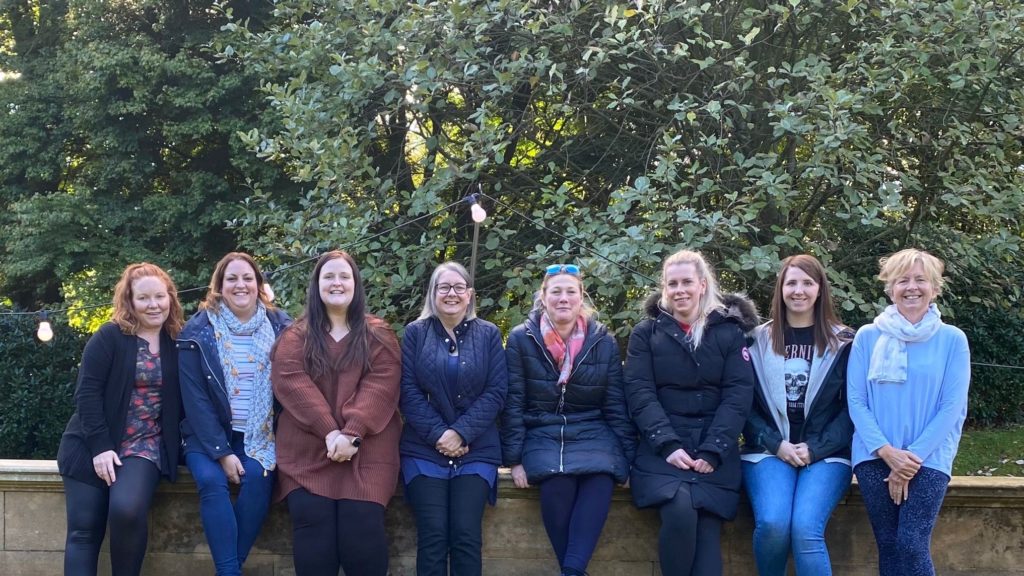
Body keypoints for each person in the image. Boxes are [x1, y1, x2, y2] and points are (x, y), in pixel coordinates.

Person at [624, 249, 756, 576]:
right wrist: (667, 445)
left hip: (715, 448)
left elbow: (738, 395)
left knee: (708, 523)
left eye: (686, 282)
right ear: (664, 288)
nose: (679, 290)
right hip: (662, 450)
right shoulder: (646, 333)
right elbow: (640, 392)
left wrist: (714, 449)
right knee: (681, 508)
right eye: (672, 283)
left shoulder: (729, 331)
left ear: (701, 285)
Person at [271, 250, 402, 576]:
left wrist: (352, 432)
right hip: (308, 453)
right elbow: (293, 385)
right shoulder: (294, 337)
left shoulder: (378, 335)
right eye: (328, 276)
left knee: (362, 532)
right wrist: (330, 432)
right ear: (316, 285)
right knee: (314, 531)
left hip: (367, 453)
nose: (336, 282)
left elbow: (381, 386)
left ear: (356, 284)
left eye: (344, 276)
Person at [501, 263, 635, 576]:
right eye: (556, 291)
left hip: (592, 430)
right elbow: (514, 402)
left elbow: (615, 404)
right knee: (555, 483)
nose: (563, 298)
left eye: (570, 292)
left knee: (601, 479)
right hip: (542, 430)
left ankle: (571, 572)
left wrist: (627, 460)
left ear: (581, 297)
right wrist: (514, 459)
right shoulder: (522, 339)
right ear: (543, 297)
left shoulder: (603, 341)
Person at [847, 248, 970, 576]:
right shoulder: (868, 336)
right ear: (890, 289)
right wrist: (888, 454)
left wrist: (908, 460)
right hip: (875, 454)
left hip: (929, 458)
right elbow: (856, 401)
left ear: (935, 288)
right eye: (902, 280)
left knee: (912, 543)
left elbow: (951, 407)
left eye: (921, 280)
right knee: (888, 543)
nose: (911, 287)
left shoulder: (952, 340)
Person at [57, 263, 184, 576]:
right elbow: (86, 394)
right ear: (130, 301)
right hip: (90, 443)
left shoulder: (179, 341)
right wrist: (100, 446)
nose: (153, 304)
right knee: (83, 531)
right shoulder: (110, 337)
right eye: (144, 298)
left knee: (126, 511)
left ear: (170, 298)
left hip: (144, 444)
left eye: (160, 296)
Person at [177, 252, 292, 576]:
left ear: (258, 285)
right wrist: (222, 452)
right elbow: (195, 399)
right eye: (232, 279)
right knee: (212, 481)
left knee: (258, 478)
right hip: (205, 437)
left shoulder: (282, 326)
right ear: (219, 286)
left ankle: (228, 570)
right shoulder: (196, 331)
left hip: (259, 435)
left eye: (247, 278)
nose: (240, 285)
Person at [740, 254, 855, 575]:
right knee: (774, 523)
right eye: (791, 282)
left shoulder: (844, 342)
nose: (799, 290)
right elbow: (742, 404)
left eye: (807, 282)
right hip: (767, 450)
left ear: (820, 289)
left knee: (805, 528)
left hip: (827, 454)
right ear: (780, 289)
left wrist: (816, 447)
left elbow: (854, 408)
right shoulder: (755, 340)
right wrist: (776, 443)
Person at [399, 261, 508, 576]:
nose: (451, 293)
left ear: (470, 294)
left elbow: (497, 392)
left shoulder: (488, 334)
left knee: (465, 536)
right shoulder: (416, 333)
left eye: (459, 287)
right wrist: (439, 435)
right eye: (443, 287)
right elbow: (408, 392)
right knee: (432, 536)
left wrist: (460, 433)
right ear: (432, 294)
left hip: (477, 451)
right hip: (423, 450)